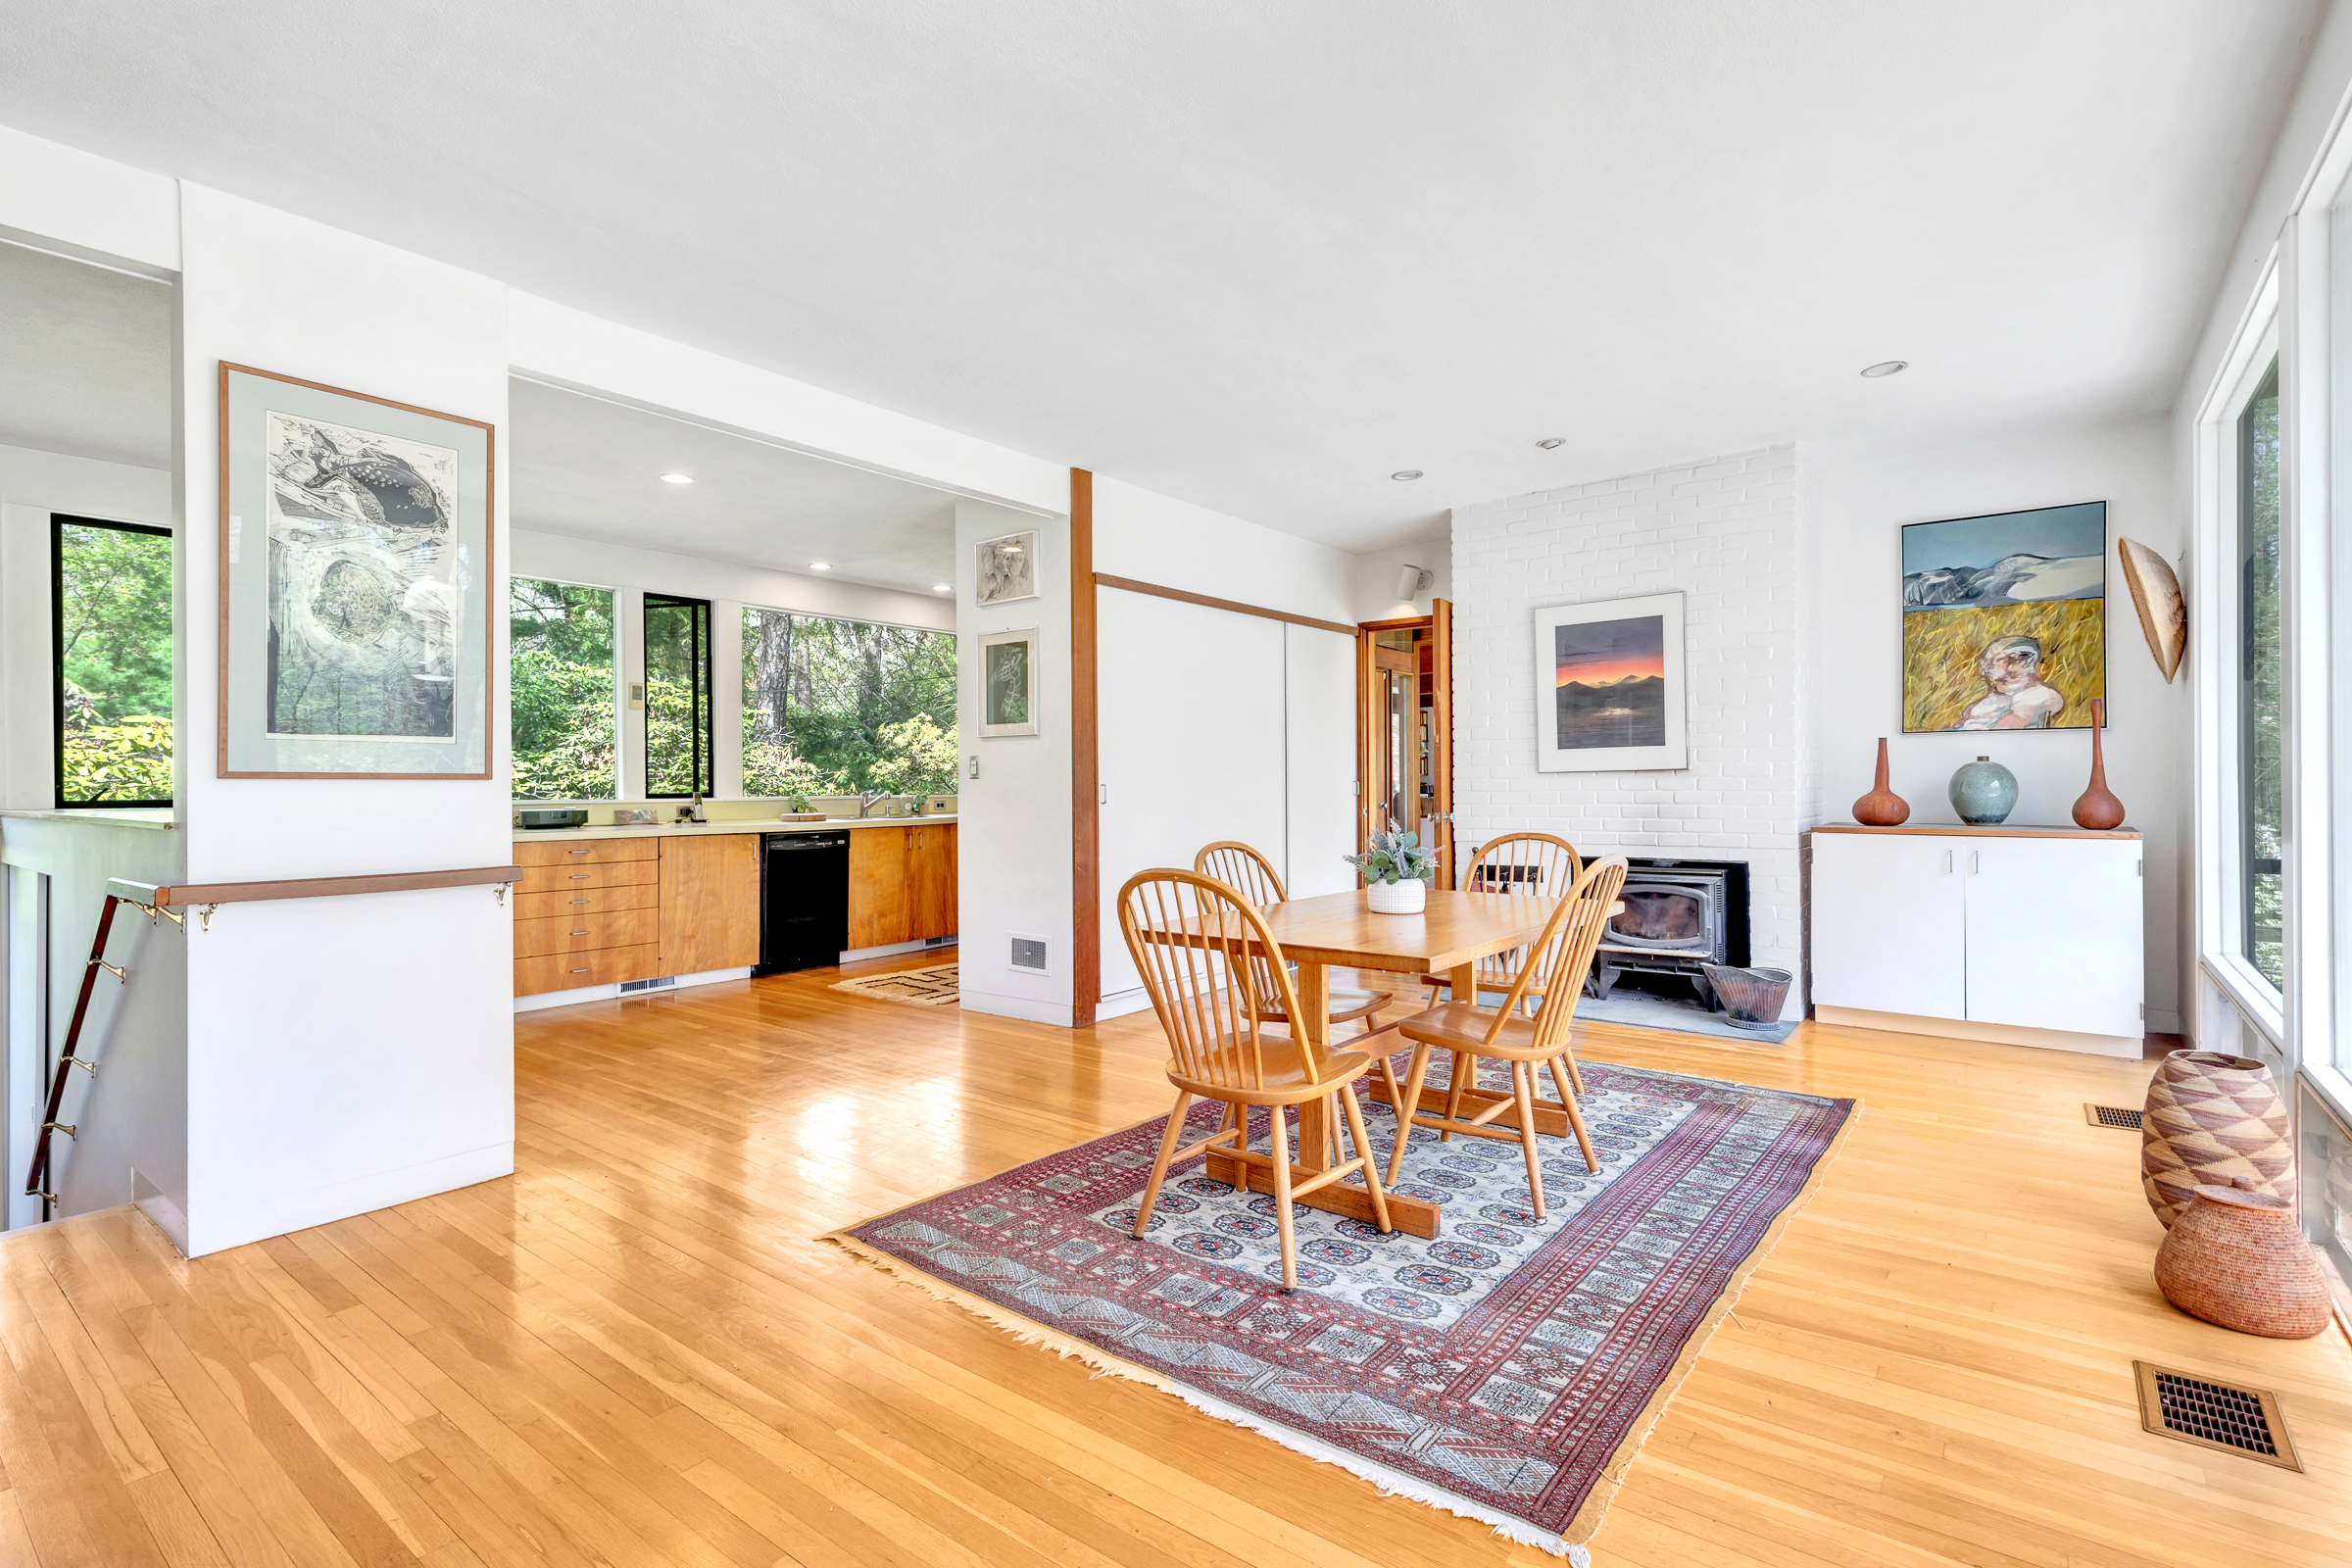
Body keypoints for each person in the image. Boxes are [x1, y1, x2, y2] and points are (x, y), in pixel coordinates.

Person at [1956, 633, 2066, 728]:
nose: (2012, 668)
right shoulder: (1989, 700)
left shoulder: (2040, 694)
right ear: (1986, 666)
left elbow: (2005, 730)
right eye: (2002, 660)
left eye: (2023, 660)